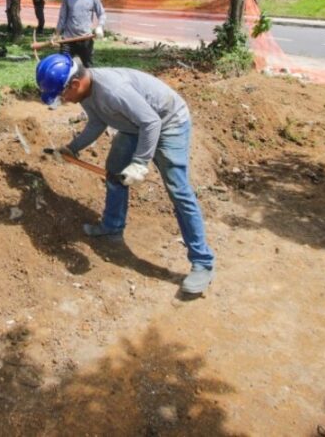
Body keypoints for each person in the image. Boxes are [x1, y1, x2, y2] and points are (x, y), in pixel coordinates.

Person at [35, 53, 216, 294]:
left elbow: (152, 123)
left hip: (167, 121)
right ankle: (112, 226)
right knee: (115, 172)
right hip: (136, 126)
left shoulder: (113, 90)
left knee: (178, 190)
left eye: (62, 95)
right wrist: (72, 148)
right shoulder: (87, 93)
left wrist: (141, 163)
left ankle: (202, 262)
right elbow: (97, 122)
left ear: (75, 84)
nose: (64, 100)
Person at [55, 0, 106, 68]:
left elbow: (101, 13)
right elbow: (62, 17)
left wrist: (100, 26)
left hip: (85, 40)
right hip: (68, 40)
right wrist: (56, 34)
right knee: (63, 67)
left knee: (89, 69)